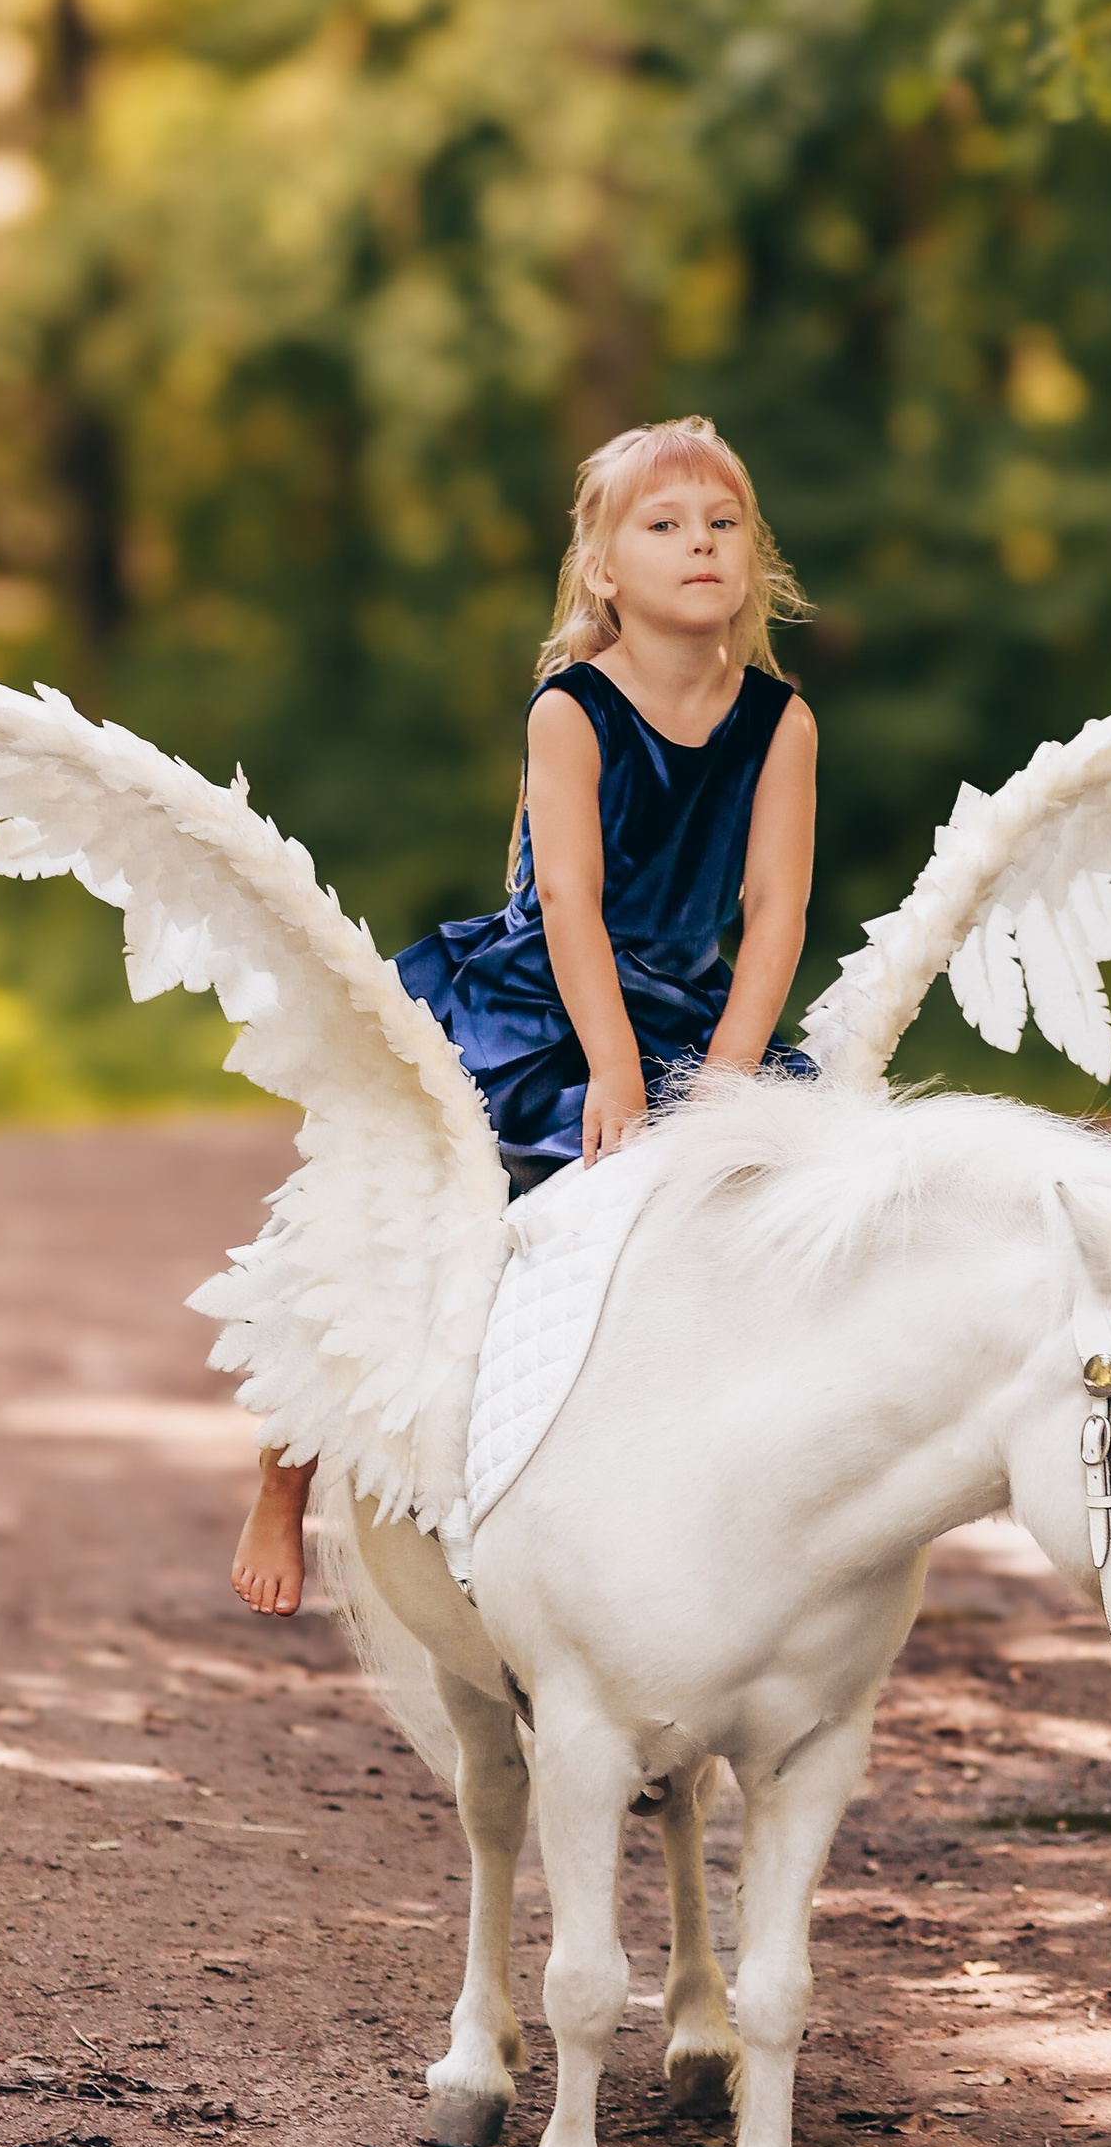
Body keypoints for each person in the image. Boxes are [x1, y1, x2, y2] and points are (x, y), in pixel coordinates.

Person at [230, 415, 819, 1616]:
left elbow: (775, 914)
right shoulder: (572, 709)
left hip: (697, 1015)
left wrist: (727, 1082)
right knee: (389, 1200)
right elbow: (568, 900)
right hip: (544, 996)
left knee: (797, 1204)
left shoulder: (781, 721)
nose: (699, 545)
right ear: (605, 570)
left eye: (723, 525)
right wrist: (609, 1065)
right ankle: (285, 1477)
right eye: (664, 526)